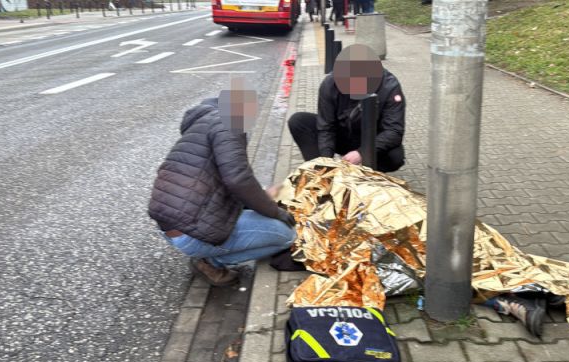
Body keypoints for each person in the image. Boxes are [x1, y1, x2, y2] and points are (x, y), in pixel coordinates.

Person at [148, 80, 297, 287]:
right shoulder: (230, 123)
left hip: (172, 228)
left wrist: (262, 196)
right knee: (287, 234)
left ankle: (206, 253)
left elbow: (224, 181)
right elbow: (238, 179)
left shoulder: (201, 125)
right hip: (192, 234)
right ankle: (211, 263)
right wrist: (275, 212)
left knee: (258, 210)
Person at [288, 44, 406, 173]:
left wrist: (362, 153)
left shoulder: (390, 86)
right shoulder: (330, 83)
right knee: (298, 121)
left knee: (395, 156)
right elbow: (326, 127)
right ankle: (320, 172)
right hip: (342, 134)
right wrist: (326, 160)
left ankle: (366, 174)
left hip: (371, 138)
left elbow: (394, 130)